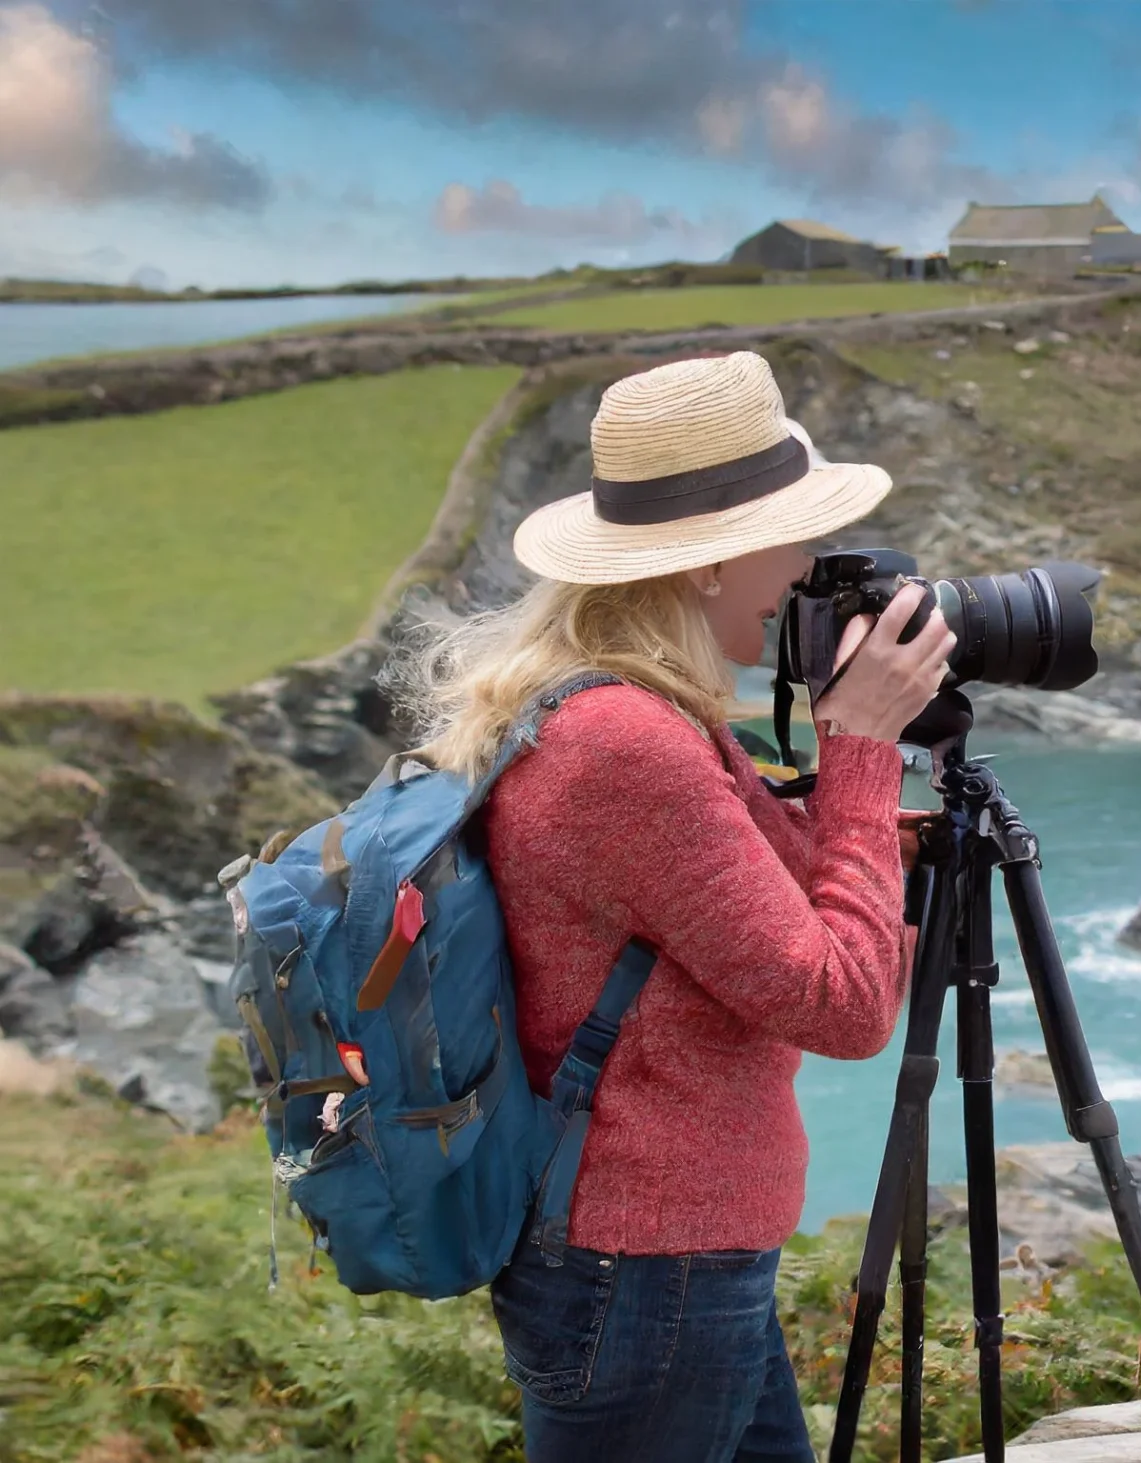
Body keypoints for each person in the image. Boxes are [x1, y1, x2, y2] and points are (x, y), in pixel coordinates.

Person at [392, 350, 955, 1462]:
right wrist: (862, 748)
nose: (808, 571)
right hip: (644, 1267)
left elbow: (757, 893)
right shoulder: (623, 743)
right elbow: (842, 1005)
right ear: (710, 560)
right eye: (793, 538)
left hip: (667, 1254)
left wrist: (874, 807)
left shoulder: (639, 711)